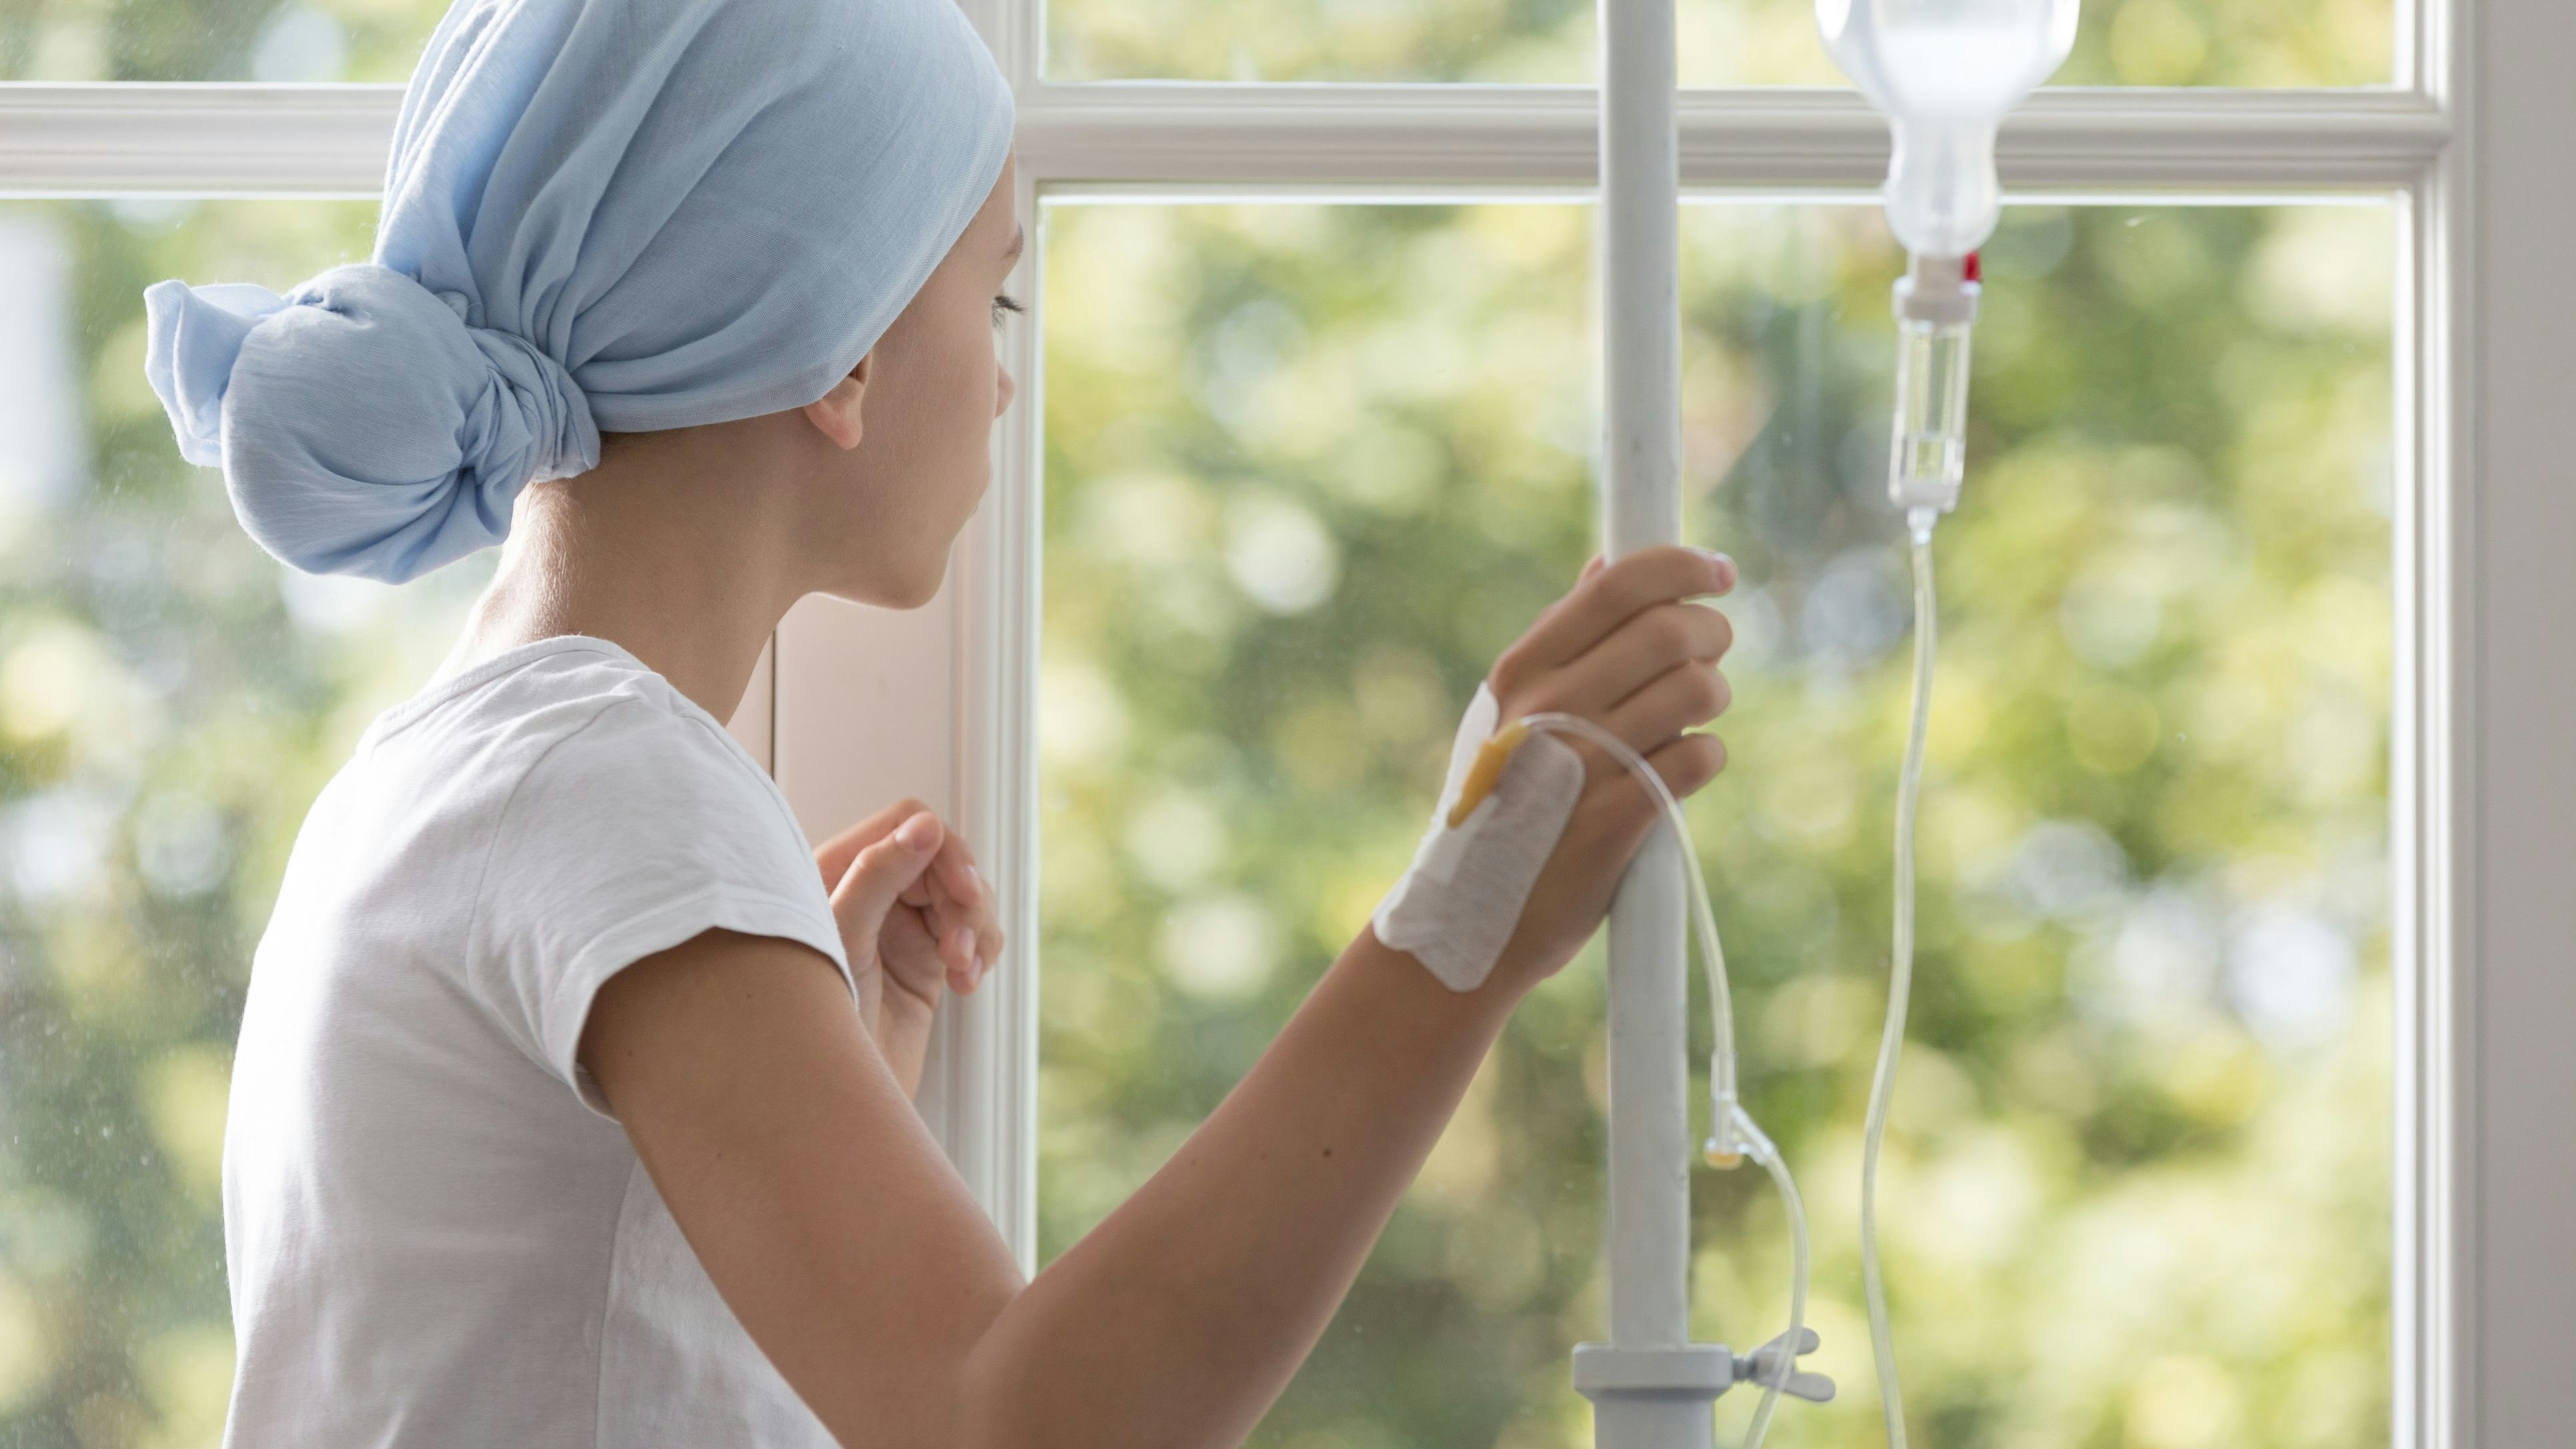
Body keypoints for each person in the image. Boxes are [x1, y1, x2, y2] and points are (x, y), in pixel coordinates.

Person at [140, 1, 1737, 1445]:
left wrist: (812, 1044)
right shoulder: (609, 782)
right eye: (1000, 294)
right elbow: (1018, 1422)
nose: (1001, 383)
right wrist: (1461, 922)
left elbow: (537, 1330)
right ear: (839, 357)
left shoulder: (435, 774)